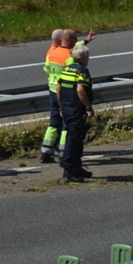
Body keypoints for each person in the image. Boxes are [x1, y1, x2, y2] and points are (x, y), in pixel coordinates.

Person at [40, 28, 95, 163]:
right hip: (66, 93)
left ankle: (46, 150)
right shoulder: (69, 58)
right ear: (69, 39)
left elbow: (47, 68)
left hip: (53, 90)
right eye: (75, 38)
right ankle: (65, 151)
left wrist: (86, 40)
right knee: (66, 124)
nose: (77, 41)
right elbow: (75, 76)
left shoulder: (53, 52)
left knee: (53, 122)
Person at [56, 44, 94, 183]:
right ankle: (69, 170)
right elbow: (80, 90)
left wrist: (61, 106)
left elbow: (58, 88)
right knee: (73, 140)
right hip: (76, 109)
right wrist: (88, 107)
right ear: (84, 58)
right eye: (88, 56)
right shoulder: (82, 71)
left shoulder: (66, 69)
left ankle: (77, 167)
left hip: (66, 108)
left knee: (76, 138)